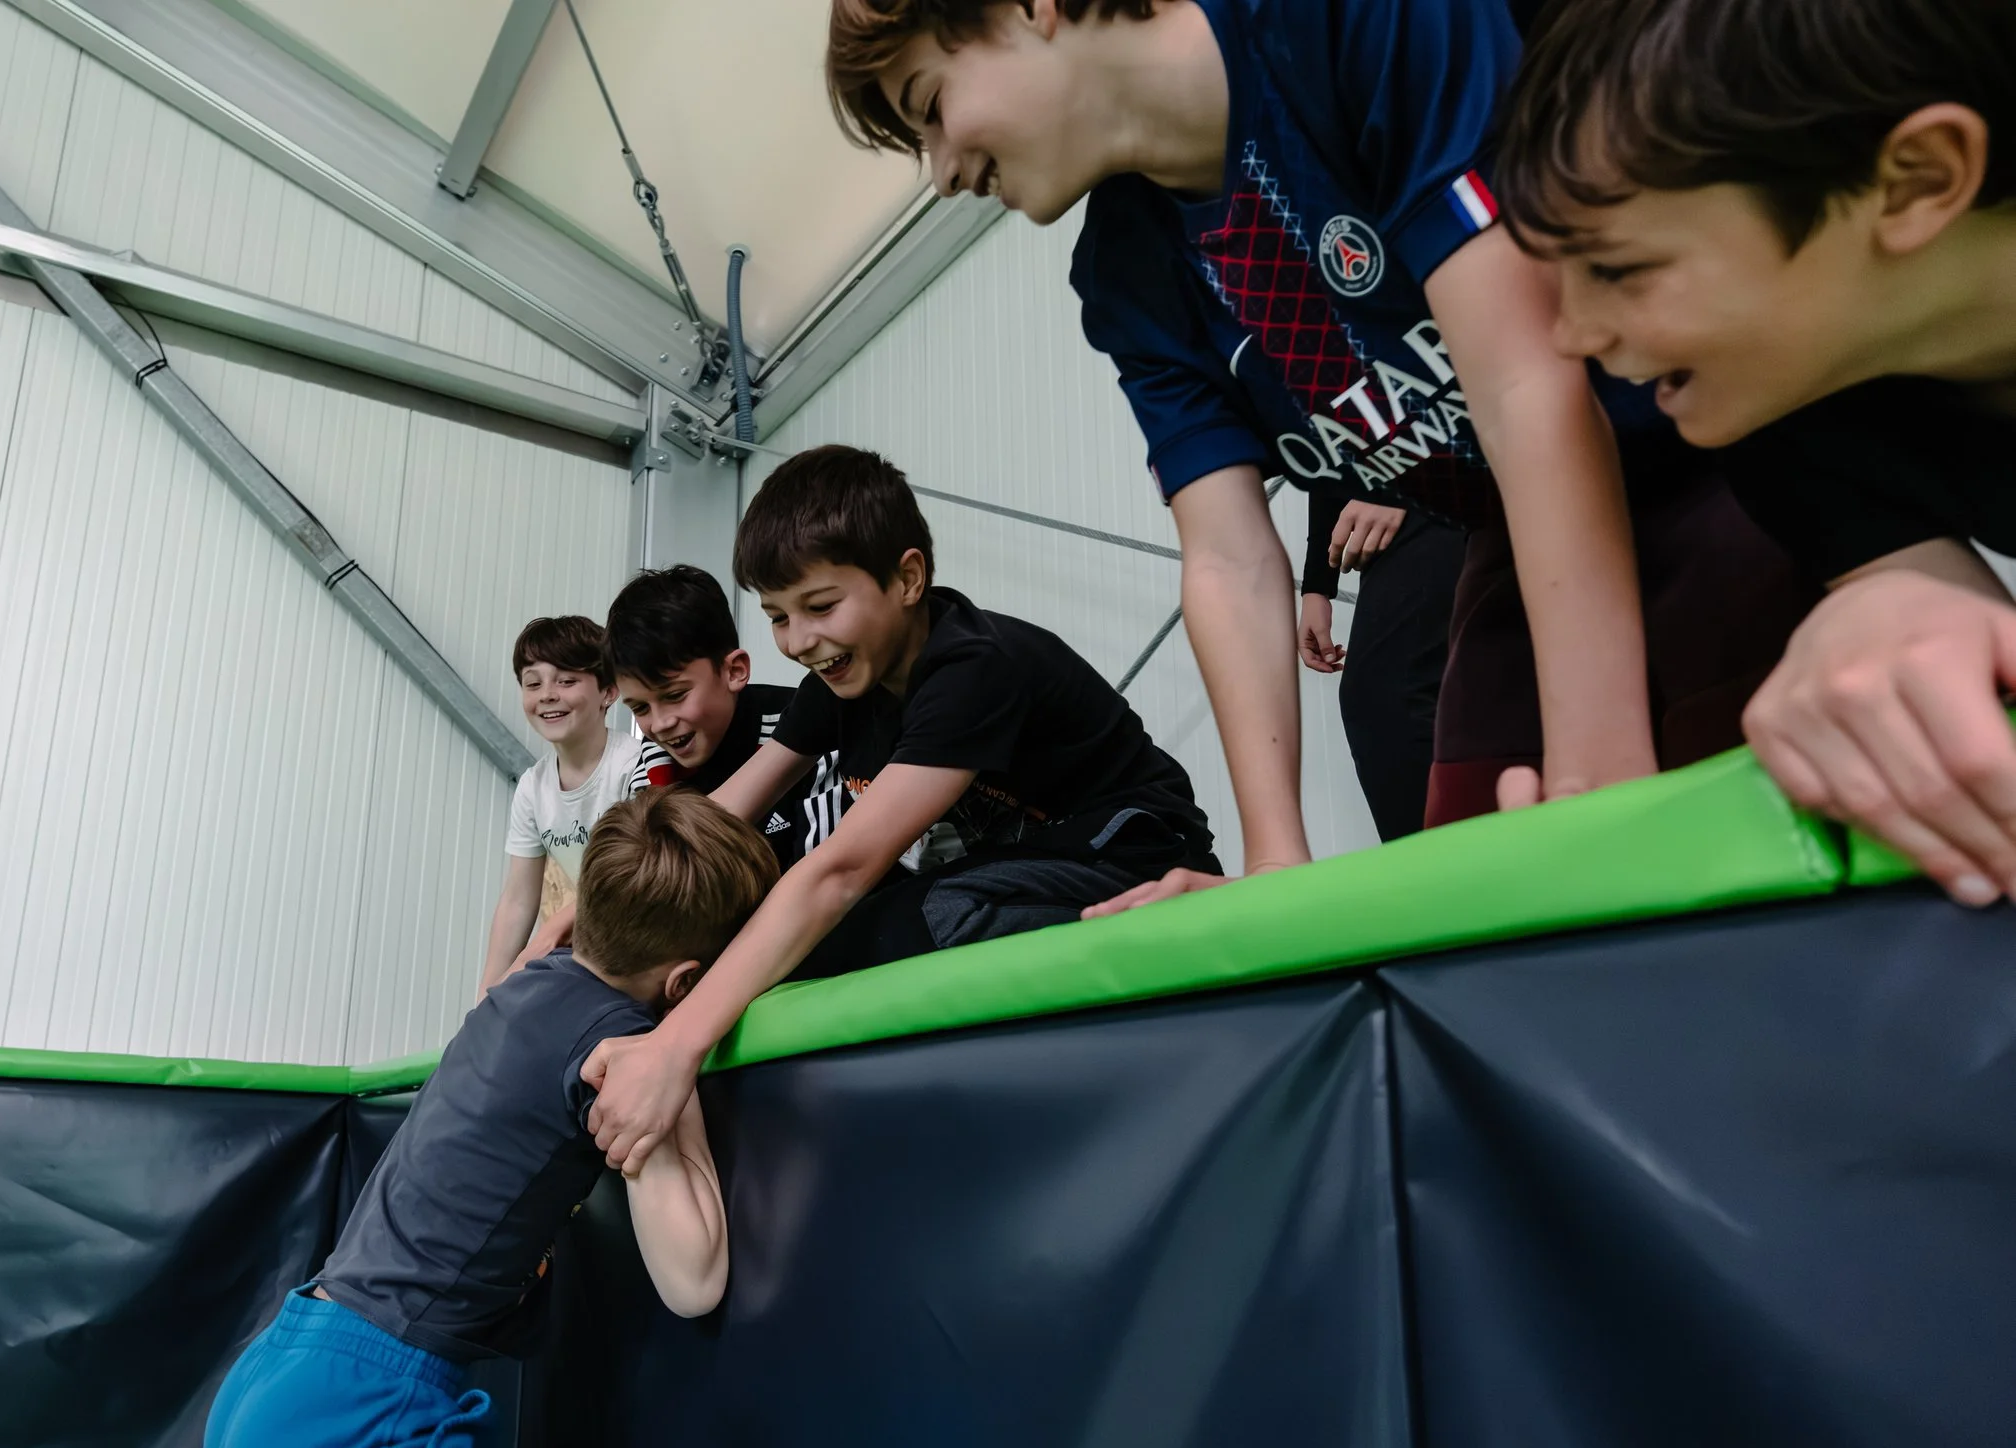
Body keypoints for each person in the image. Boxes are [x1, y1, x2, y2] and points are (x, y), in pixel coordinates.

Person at [823, 0, 1815, 913]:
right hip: (1507, 532)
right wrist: (1272, 864)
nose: (943, 171)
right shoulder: (1125, 270)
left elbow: (1527, 384)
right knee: (1481, 888)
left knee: (1748, 826)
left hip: (1709, 446)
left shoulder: (1337, 24)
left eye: (930, 107)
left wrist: (1598, 767)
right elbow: (1226, 556)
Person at [205, 788, 778, 1448]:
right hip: (354, 1419)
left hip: (283, 1373)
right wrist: (679, 1054)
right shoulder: (620, 1050)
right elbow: (693, 1278)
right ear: (687, 983)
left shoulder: (521, 985)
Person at [1493, 0, 2016, 907]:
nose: (1570, 336)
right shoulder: (1789, 418)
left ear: (1919, 179)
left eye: (1618, 269)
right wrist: (1895, 609)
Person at [580, 445, 1218, 1176]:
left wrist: (678, 1042)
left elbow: (841, 869)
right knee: (819, 938)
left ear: (908, 578)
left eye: (820, 607)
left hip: (1133, 852)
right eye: (778, 616)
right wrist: (606, 910)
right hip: (1021, 867)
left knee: (905, 915)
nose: (798, 641)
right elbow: (725, 813)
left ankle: (1162, 922)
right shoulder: (840, 678)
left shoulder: (971, 667)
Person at [609, 564, 852, 867]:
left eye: (675, 695)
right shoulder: (653, 763)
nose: (660, 724)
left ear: (734, 671)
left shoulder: (809, 731)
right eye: (640, 708)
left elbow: (825, 880)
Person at [479, 616, 648, 1000]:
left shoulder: (635, 765)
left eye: (566, 681)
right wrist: (486, 994)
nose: (547, 694)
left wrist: (552, 932)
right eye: (532, 683)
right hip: (591, 949)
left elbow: (634, 880)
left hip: (645, 941)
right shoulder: (532, 787)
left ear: (608, 691)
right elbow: (518, 899)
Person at [1298, 490, 1468, 841]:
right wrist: (1318, 584)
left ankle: (1450, 872)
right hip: (1405, 493)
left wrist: (1404, 486)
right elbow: (1331, 449)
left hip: (1450, 482)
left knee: (1389, 696)